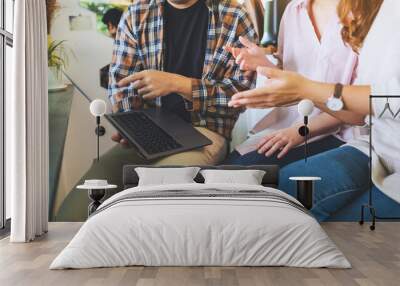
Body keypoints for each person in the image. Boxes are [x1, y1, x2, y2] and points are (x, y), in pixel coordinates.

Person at [55, 0, 257, 221]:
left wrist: (179, 84)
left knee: (154, 201)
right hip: (148, 134)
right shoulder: (136, 14)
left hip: (205, 133)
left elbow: (242, 92)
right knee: (72, 214)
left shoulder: (234, 15)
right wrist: (132, 128)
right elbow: (120, 85)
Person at [229, 0, 400, 221]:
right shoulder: (298, 11)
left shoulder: (364, 12)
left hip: (349, 137)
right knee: (238, 176)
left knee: (288, 207)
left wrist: (303, 95)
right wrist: (269, 68)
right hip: (374, 146)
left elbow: (365, 109)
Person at [224, 0, 364, 167]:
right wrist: (263, 64)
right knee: (228, 167)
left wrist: (300, 131)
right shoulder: (293, 10)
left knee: (246, 170)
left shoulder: (362, 15)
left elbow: (358, 110)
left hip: (341, 134)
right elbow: (289, 77)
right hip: (292, 124)